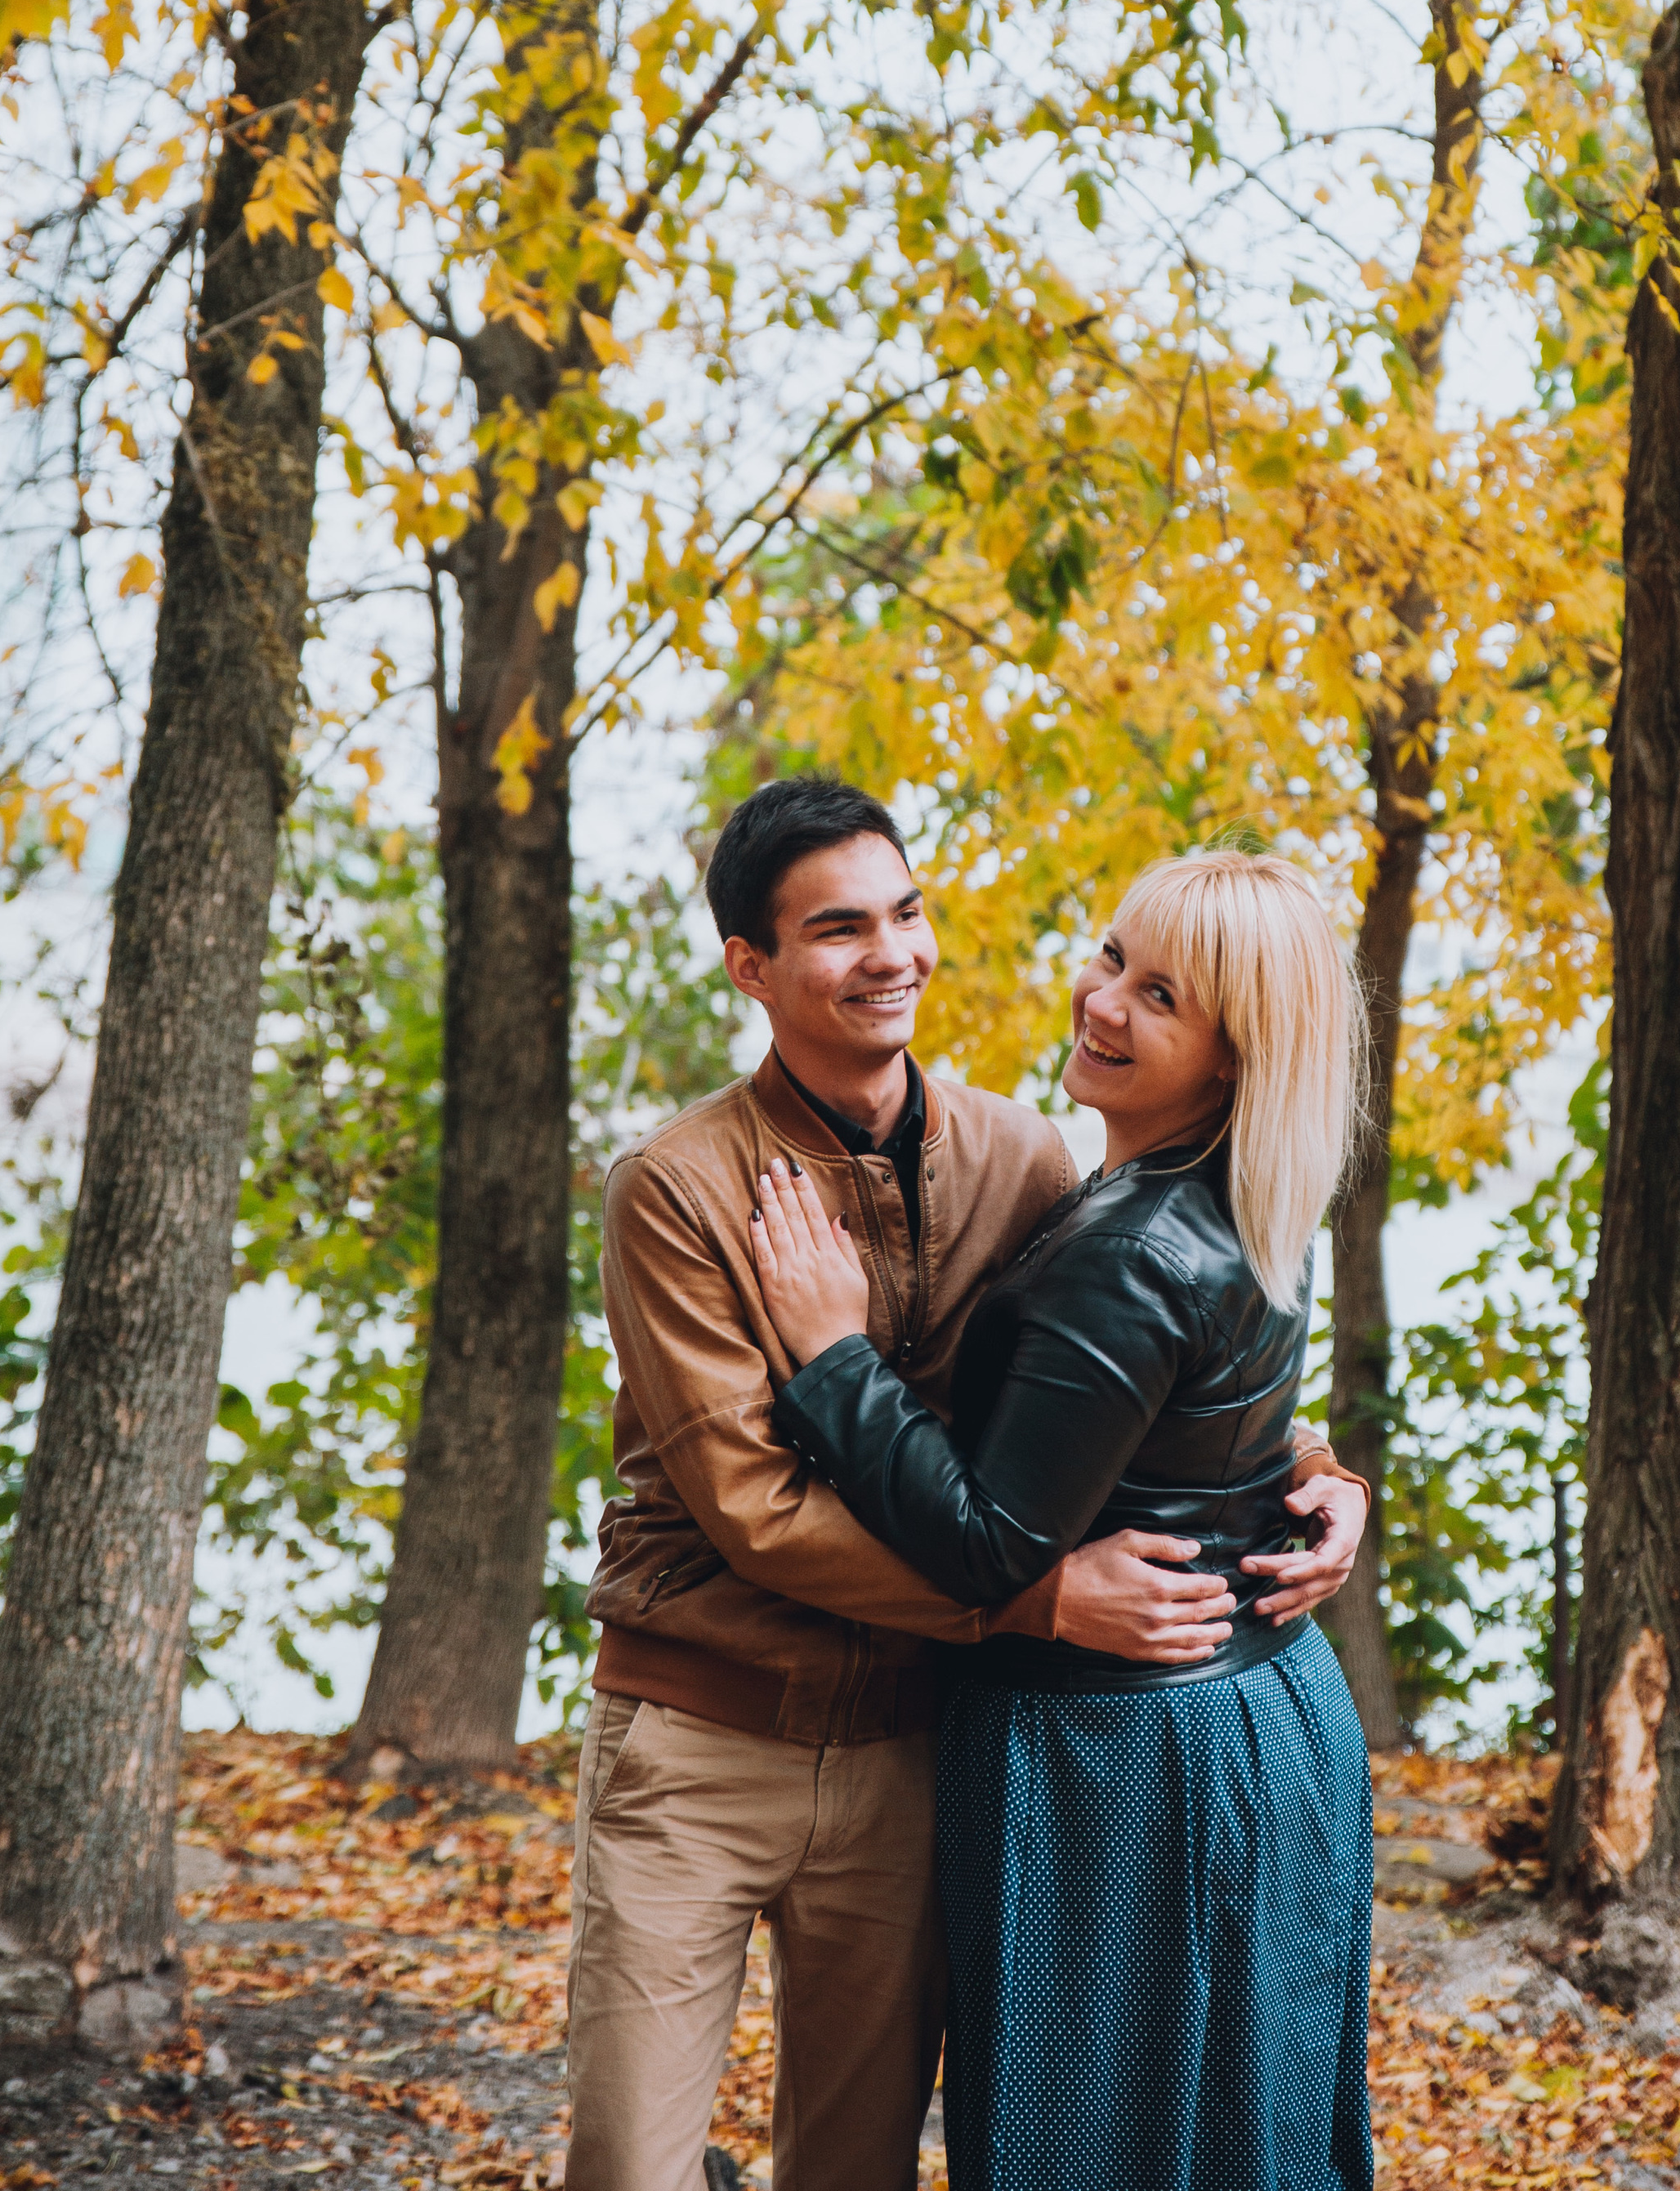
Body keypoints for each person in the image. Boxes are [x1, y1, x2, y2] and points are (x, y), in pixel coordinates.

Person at [565, 779, 1369, 2191]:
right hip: (705, 1737)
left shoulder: (1020, 1154)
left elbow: (1124, 1388)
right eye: (838, 928)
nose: (892, 954)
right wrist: (1030, 1605)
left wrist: (1306, 1471)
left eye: (908, 912)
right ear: (751, 966)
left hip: (906, 1748)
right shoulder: (680, 1190)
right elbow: (752, 1507)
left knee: (856, 2168)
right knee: (630, 2167)